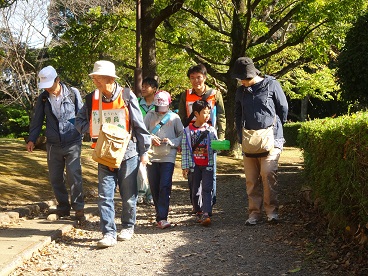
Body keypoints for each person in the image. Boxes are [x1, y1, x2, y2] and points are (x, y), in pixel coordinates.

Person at [75, 60, 151, 248]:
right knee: (105, 195)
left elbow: (139, 125)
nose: (96, 82)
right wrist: (93, 129)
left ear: (110, 79)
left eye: (98, 79)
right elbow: (78, 122)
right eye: (94, 79)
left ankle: (128, 226)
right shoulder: (91, 98)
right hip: (103, 153)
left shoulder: (127, 96)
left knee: (128, 196)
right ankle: (108, 232)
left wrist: (144, 151)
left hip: (128, 152)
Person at [232, 57, 288, 226]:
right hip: (250, 140)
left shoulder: (271, 84)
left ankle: (272, 211)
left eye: (245, 78)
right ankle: (254, 213)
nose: (243, 81)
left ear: (253, 74)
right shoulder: (241, 91)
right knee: (251, 178)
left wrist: (275, 127)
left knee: (268, 173)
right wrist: (241, 137)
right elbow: (237, 114)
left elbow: (283, 109)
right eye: (241, 79)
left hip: (271, 139)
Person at [26, 66, 85, 220]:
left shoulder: (73, 93)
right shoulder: (43, 98)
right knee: (55, 177)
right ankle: (63, 207)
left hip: (72, 141)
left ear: (57, 80)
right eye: (45, 86)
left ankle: (78, 208)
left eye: (50, 85)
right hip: (53, 143)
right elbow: (37, 119)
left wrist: (81, 131)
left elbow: (81, 115)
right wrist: (32, 139)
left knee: (74, 175)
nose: (48, 89)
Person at [178, 64, 226, 209]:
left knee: (210, 171)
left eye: (198, 77)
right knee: (193, 172)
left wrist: (221, 136)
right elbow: (181, 118)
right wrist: (182, 138)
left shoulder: (215, 94)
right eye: (192, 78)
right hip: (191, 137)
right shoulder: (185, 95)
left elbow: (222, 116)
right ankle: (196, 204)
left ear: (204, 77)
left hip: (209, 136)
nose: (196, 81)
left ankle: (209, 203)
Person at [143, 91, 183, 229]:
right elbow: (141, 133)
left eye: (163, 107)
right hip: (152, 155)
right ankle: (159, 214)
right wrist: (150, 138)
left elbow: (182, 135)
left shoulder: (175, 118)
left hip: (168, 155)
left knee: (165, 185)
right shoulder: (149, 116)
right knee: (154, 186)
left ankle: (162, 217)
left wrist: (171, 142)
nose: (161, 111)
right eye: (158, 107)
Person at [181, 100, 218, 226]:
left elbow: (215, 147)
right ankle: (198, 210)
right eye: (204, 113)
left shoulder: (211, 130)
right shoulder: (187, 131)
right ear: (196, 113)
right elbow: (185, 149)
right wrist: (185, 166)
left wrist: (220, 145)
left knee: (207, 189)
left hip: (208, 164)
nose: (207, 115)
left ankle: (206, 213)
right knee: (195, 189)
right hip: (194, 165)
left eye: (209, 113)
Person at [137, 77, 158, 205]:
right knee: (140, 166)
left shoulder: (159, 104)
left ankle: (151, 194)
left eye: (147, 86)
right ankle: (141, 192)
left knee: (152, 167)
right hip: (139, 138)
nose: (143, 88)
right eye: (142, 86)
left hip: (155, 140)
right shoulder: (137, 102)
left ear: (154, 89)